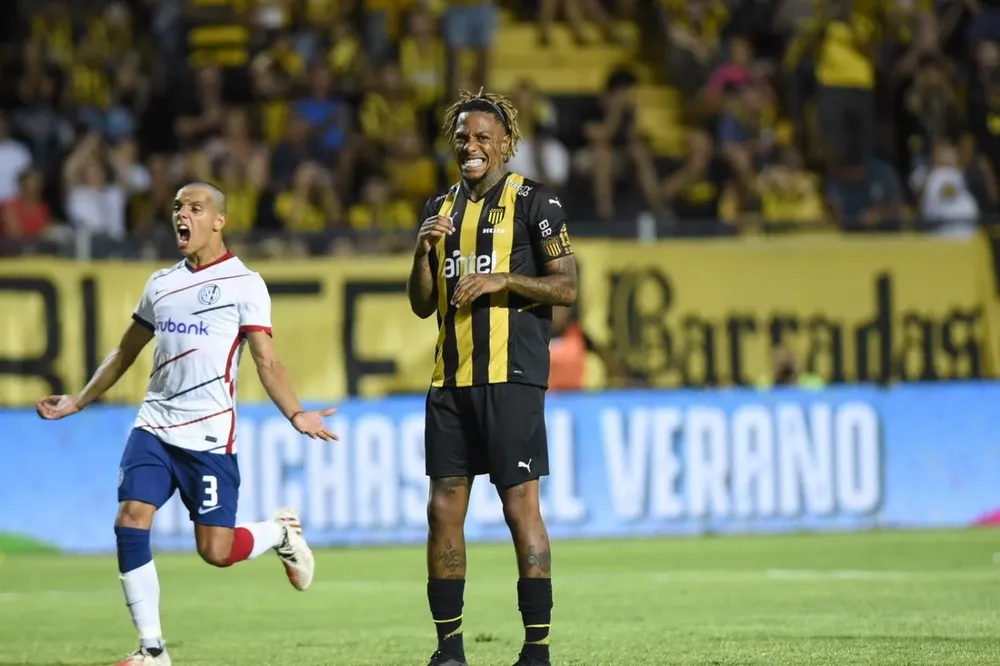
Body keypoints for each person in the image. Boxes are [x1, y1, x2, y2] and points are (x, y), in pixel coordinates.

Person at [35, 182, 338, 666]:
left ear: (219, 220)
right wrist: (79, 400)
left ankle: (279, 533)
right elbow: (125, 350)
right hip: (154, 427)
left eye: (195, 208)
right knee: (130, 520)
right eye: (178, 207)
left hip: (210, 437)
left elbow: (266, 361)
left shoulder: (245, 284)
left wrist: (296, 412)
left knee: (215, 551)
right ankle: (152, 649)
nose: (183, 215)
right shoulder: (161, 284)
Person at [406, 89, 578, 666]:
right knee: (442, 510)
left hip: (513, 378)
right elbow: (421, 305)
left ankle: (536, 650)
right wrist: (421, 252)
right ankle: (449, 650)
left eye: (483, 137)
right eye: (463, 138)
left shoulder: (537, 204)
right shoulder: (441, 208)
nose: (471, 147)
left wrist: (502, 279)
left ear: (506, 143)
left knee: (519, 509)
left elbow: (566, 288)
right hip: (449, 381)